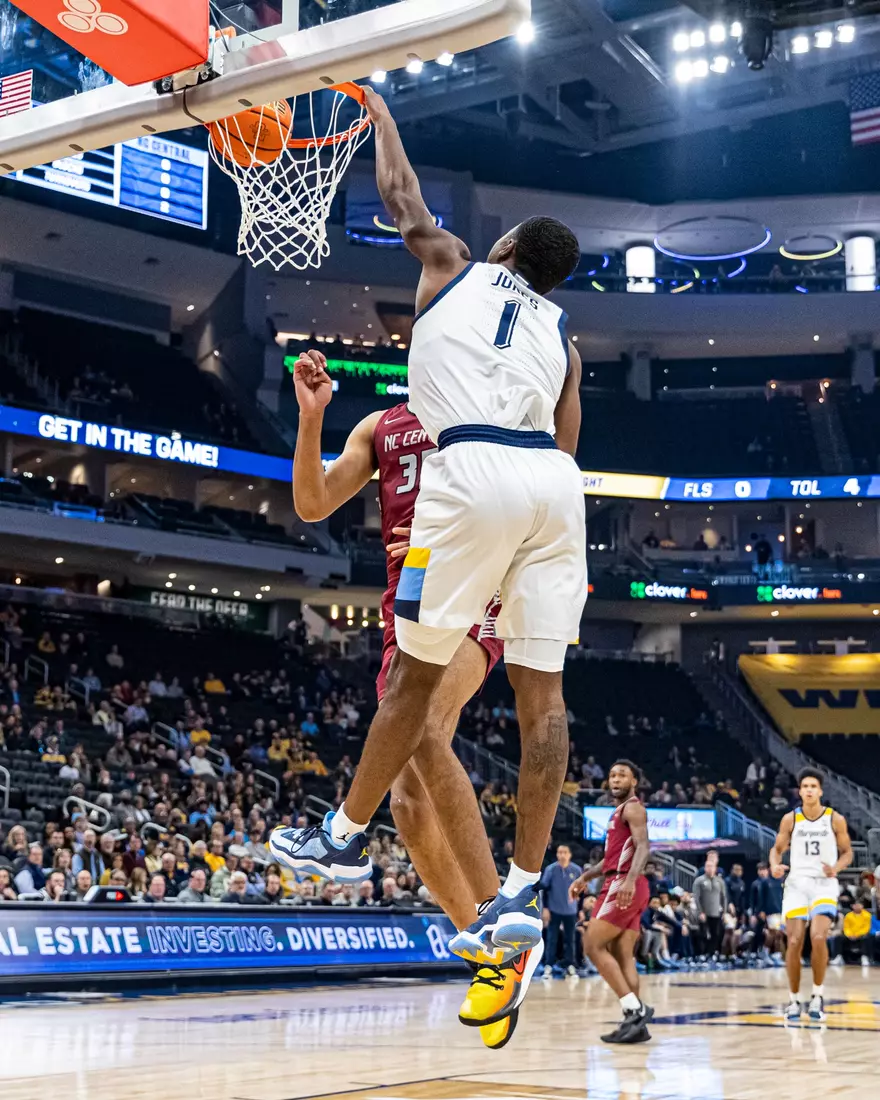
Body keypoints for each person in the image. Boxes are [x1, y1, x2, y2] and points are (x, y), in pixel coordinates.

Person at [273, 88, 585, 1037]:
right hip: (522, 510)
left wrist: (379, 114)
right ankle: (491, 931)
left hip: (470, 560)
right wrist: (316, 416)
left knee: (423, 728)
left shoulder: (453, 288)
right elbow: (314, 503)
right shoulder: (539, 345)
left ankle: (390, 863)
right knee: (414, 787)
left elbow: (405, 200)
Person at [570, 761, 652, 1044]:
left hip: (623, 884)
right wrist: (585, 876)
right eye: (612, 775)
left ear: (634, 782)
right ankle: (636, 1025)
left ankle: (634, 1009)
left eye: (622, 775)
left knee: (592, 945)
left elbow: (643, 846)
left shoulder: (632, 807)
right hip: (628, 882)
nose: (615, 779)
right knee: (622, 955)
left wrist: (629, 880)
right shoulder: (619, 812)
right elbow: (609, 859)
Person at [771, 768, 853, 1022]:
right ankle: (794, 999)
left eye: (813, 786)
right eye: (804, 786)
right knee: (794, 941)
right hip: (796, 883)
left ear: (820, 791)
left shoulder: (834, 819)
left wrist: (836, 868)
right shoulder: (790, 819)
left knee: (818, 937)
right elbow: (776, 849)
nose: (808, 790)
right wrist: (775, 865)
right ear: (800, 791)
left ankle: (817, 995)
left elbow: (848, 852)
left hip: (824, 884)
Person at [540, 844, 583, 978]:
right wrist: (545, 908)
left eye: (564, 852)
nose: (562, 855)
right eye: (559, 852)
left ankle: (570, 965)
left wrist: (580, 909)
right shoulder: (550, 869)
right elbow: (545, 889)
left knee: (570, 939)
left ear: (569, 855)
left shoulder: (576, 870)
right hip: (554, 908)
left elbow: (580, 891)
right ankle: (548, 966)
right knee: (552, 938)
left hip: (570, 910)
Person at [693, 859, 727, 958]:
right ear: (704, 868)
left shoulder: (720, 881)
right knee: (703, 934)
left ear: (715, 868)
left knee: (716, 933)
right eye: (707, 866)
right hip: (704, 912)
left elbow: (724, 897)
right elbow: (696, 897)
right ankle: (702, 954)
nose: (710, 868)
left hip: (716, 912)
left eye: (712, 866)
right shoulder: (699, 881)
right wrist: (700, 912)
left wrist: (724, 912)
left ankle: (712, 953)